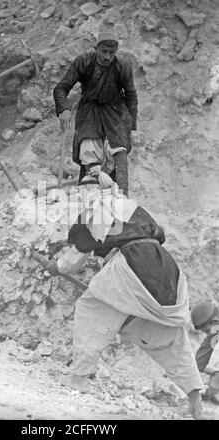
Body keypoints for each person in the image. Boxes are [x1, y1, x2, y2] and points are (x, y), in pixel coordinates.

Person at [46, 158, 205, 419]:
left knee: (92, 307)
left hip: (133, 263)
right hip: (166, 268)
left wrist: (59, 266)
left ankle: (79, 377)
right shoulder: (129, 205)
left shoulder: (96, 207)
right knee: (166, 332)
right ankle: (194, 394)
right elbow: (153, 236)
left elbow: (78, 255)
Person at [53, 31, 138, 196]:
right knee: (89, 148)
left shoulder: (123, 66)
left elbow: (131, 95)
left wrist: (131, 123)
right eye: (104, 52)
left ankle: (122, 196)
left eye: (111, 53)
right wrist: (63, 108)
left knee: (119, 148)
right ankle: (88, 194)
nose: (107, 56)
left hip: (115, 109)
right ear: (96, 49)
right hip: (90, 109)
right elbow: (61, 88)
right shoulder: (83, 62)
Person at [191, 300, 219, 404]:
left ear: (214, 321)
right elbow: (199, 362)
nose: (204, 332)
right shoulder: (215, 331)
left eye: (205, 329)